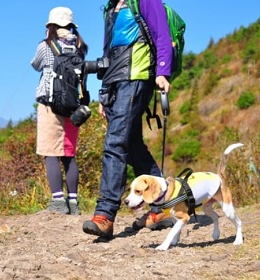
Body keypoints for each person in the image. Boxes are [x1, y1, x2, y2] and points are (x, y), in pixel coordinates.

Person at [82, 0, 173, 238]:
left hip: (137, 76)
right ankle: (162, 207)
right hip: (116, 82)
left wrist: (163, 72)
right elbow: (107, 54)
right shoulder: (111, 8)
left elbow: (162, 34)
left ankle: (105, 214)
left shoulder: (145, 1)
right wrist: (104, 94)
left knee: (115, 142)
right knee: (132, 146)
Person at [31, 7, 89, 215]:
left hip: (50, 105)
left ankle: (57, 201)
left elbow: (35, 65)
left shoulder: (46, 46)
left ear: (51, 26)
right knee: (68, 154)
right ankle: (73, 202)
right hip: (74, 108)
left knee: (50, 153)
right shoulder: (81, 47)